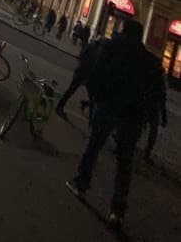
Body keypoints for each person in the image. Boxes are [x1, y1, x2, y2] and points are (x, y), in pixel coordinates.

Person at [66, 20, 160, 230]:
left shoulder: (111, 47)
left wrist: (96, 98)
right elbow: (154, 94)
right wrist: (149, 118)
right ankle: (117, 211)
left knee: (93, 147)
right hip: (132, 117)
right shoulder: (149, 61)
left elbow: (97, 73)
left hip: (108, 106)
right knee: (124, 164)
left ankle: (81, 184)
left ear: (124, 32)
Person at [56, 36, 110, 120]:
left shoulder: (93, 47)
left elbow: (82, 57)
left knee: (73, 91)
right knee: (77, 92)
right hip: (85, 75)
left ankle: (61, 106)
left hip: (82, 73)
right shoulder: (98, 52)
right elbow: (90, 64)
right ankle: (60, 107)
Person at [143, 50, 168, 164]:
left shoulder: (147, 74)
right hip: (153, 107)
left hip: (146, 104)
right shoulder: (160, 78)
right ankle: (147, 152)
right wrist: (164, 115)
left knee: (138, 125)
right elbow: (163, 96)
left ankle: (122, 141)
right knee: (153, 131)